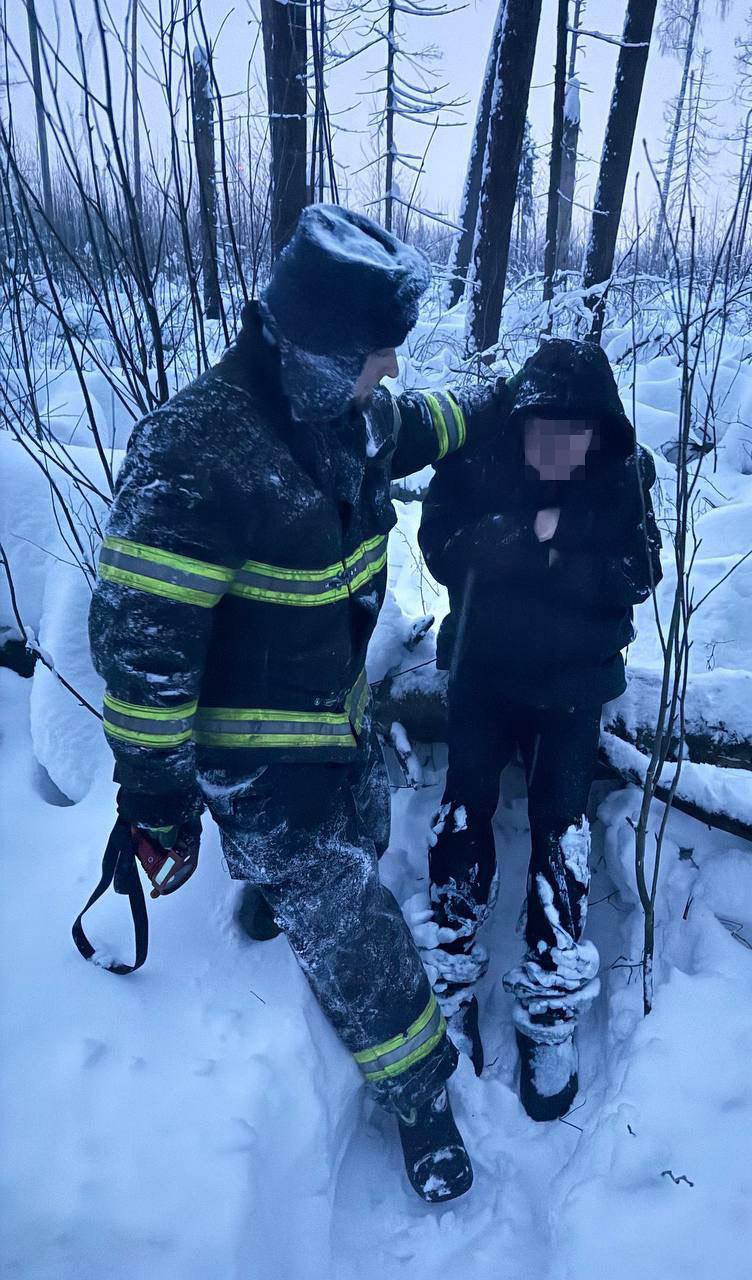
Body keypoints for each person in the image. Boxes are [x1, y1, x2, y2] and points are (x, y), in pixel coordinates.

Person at [87, 205, 512, 1204]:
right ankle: (420, 1095)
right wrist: (156, 803)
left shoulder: (339, 410)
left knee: (358, 833)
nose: (392, 373)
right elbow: (143, 657)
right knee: (352, 915)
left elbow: (416, 426)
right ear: (323, 351)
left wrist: (501, 403)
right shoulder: (195, 453)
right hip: (252, 753)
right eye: (379, 354)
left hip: (334, 715)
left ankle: (278, 887)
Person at [416, 338, 662, 1121]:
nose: (558, 447)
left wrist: (569, 556)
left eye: (576, 431)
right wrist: (525, 540)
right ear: (518, 422)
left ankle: (550, 1011)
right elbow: (438, 547)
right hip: (483, 671)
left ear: (601, 431)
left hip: (575, 684)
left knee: (563, 828)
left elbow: (642, 570)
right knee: (464, 807)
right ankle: (451, 981)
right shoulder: (479, 459)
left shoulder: (626, 472)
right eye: (543, 429)